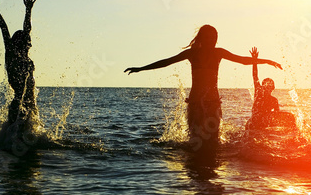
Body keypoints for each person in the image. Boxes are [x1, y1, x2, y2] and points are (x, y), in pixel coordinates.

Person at [124, 25, 282, 150]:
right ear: (202, 38)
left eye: (214, 38)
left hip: (213, 102)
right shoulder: (192, 54)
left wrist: (267, 61)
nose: (212, 40)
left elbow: (242, 60)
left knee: (213, 140)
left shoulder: (218, 53)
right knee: (194, 138)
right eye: (208, 37)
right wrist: (141, 68)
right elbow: (167, 61)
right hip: (195, 102)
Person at [0, 0, 38, 128]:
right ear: (21, 43)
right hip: (17, 104)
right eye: (27, 41)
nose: (30, 44)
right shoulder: (12, 53)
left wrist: (28, 10)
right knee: (15, 133)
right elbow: (3, 28)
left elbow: (27, 29)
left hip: (30, 102)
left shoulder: (24, 55)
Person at [246, 47, 296, 131]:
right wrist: (254, 60)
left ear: (273, 88)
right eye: (265, 86)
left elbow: (276, 115)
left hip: (264, 122)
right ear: (262, 87)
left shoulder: (274, 100)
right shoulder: (259, 93)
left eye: (269, 86)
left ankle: (293, 133)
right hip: (254, 122)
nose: (267, 88)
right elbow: (255, 76)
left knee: (291, 116)